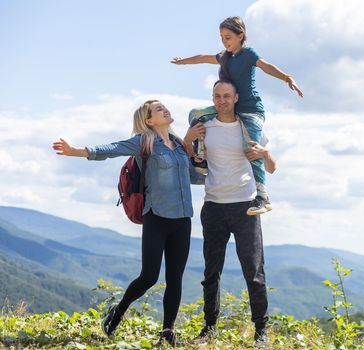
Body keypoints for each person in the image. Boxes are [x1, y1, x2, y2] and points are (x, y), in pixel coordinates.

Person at [52, 100, 205, 346]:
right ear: (148, 120)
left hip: (182, 218)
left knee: (175, 277)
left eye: (164, 106)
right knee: (149, 277)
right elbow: (113, 148)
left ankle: (167, 332)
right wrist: (77, 151)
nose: (165, 109)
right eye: (158, 109)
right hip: (156, 216)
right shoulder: (144, 142)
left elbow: (190, 176)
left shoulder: (178, 145)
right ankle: (118, 312)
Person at [172, 15, 298, 216]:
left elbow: (265, 66)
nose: (224, 41)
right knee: (196, 115)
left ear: (241, 36)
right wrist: (183, 62)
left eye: (228, 37)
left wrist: (286, 78)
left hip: (250, 110)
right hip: (230, 107)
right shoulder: (225, 56)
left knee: (252, 148)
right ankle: (201, 157)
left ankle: (263, 197)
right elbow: (204, 58)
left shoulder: (248, 54)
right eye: (221, 37)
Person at [185, 80, 276, 347]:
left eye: (226, 95)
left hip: (245, 206)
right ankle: (209, 328)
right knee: (211, 271)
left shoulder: (249, 127)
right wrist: (190, 141)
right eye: (217, 96)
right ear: (212, 98)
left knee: (254, 271)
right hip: (213, 205)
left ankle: (261, 330)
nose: (221, 100)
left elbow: (271, 168)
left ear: (236, 98)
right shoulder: (204, 127)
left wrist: (265, 152)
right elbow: (191, 158)